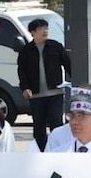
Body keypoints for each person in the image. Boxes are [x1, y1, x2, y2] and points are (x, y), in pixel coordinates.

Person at [17, 18, 71, 151]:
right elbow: (21, 71)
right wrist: (25, 88)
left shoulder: (55, 46)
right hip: (36, 95)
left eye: (46, 28)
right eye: (41, 29)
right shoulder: (26, 50)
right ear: (33, 32)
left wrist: (74, 82)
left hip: (56, 93)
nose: (45, 31)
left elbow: (69, 64)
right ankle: (41, 152)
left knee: (57, 125)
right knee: (39, 127)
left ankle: (58, 151)